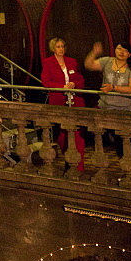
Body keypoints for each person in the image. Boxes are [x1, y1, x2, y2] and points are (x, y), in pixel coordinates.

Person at [84, 40, 131, 158]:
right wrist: (94, 52)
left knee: (127, 142)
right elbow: (89, 65)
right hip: (106, 106)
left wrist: (113, 87)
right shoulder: (107, 61)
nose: (121, 52)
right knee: (108, 141)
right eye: (119, 49)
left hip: (124, 108)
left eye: (125, 51)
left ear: (129, 54)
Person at [41, 37, 85, 171]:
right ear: (53, 48)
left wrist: (74, 84)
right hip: (59, 100)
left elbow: (81, 80)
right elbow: (46, 82)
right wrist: (62, 86)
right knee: (63, 134)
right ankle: (68, 161)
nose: (61, 49)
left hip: (75, 101)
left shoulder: (72, 62)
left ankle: (79, 166)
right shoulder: (48, 62)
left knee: (78, 134)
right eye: (58, 46)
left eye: (63, 46)